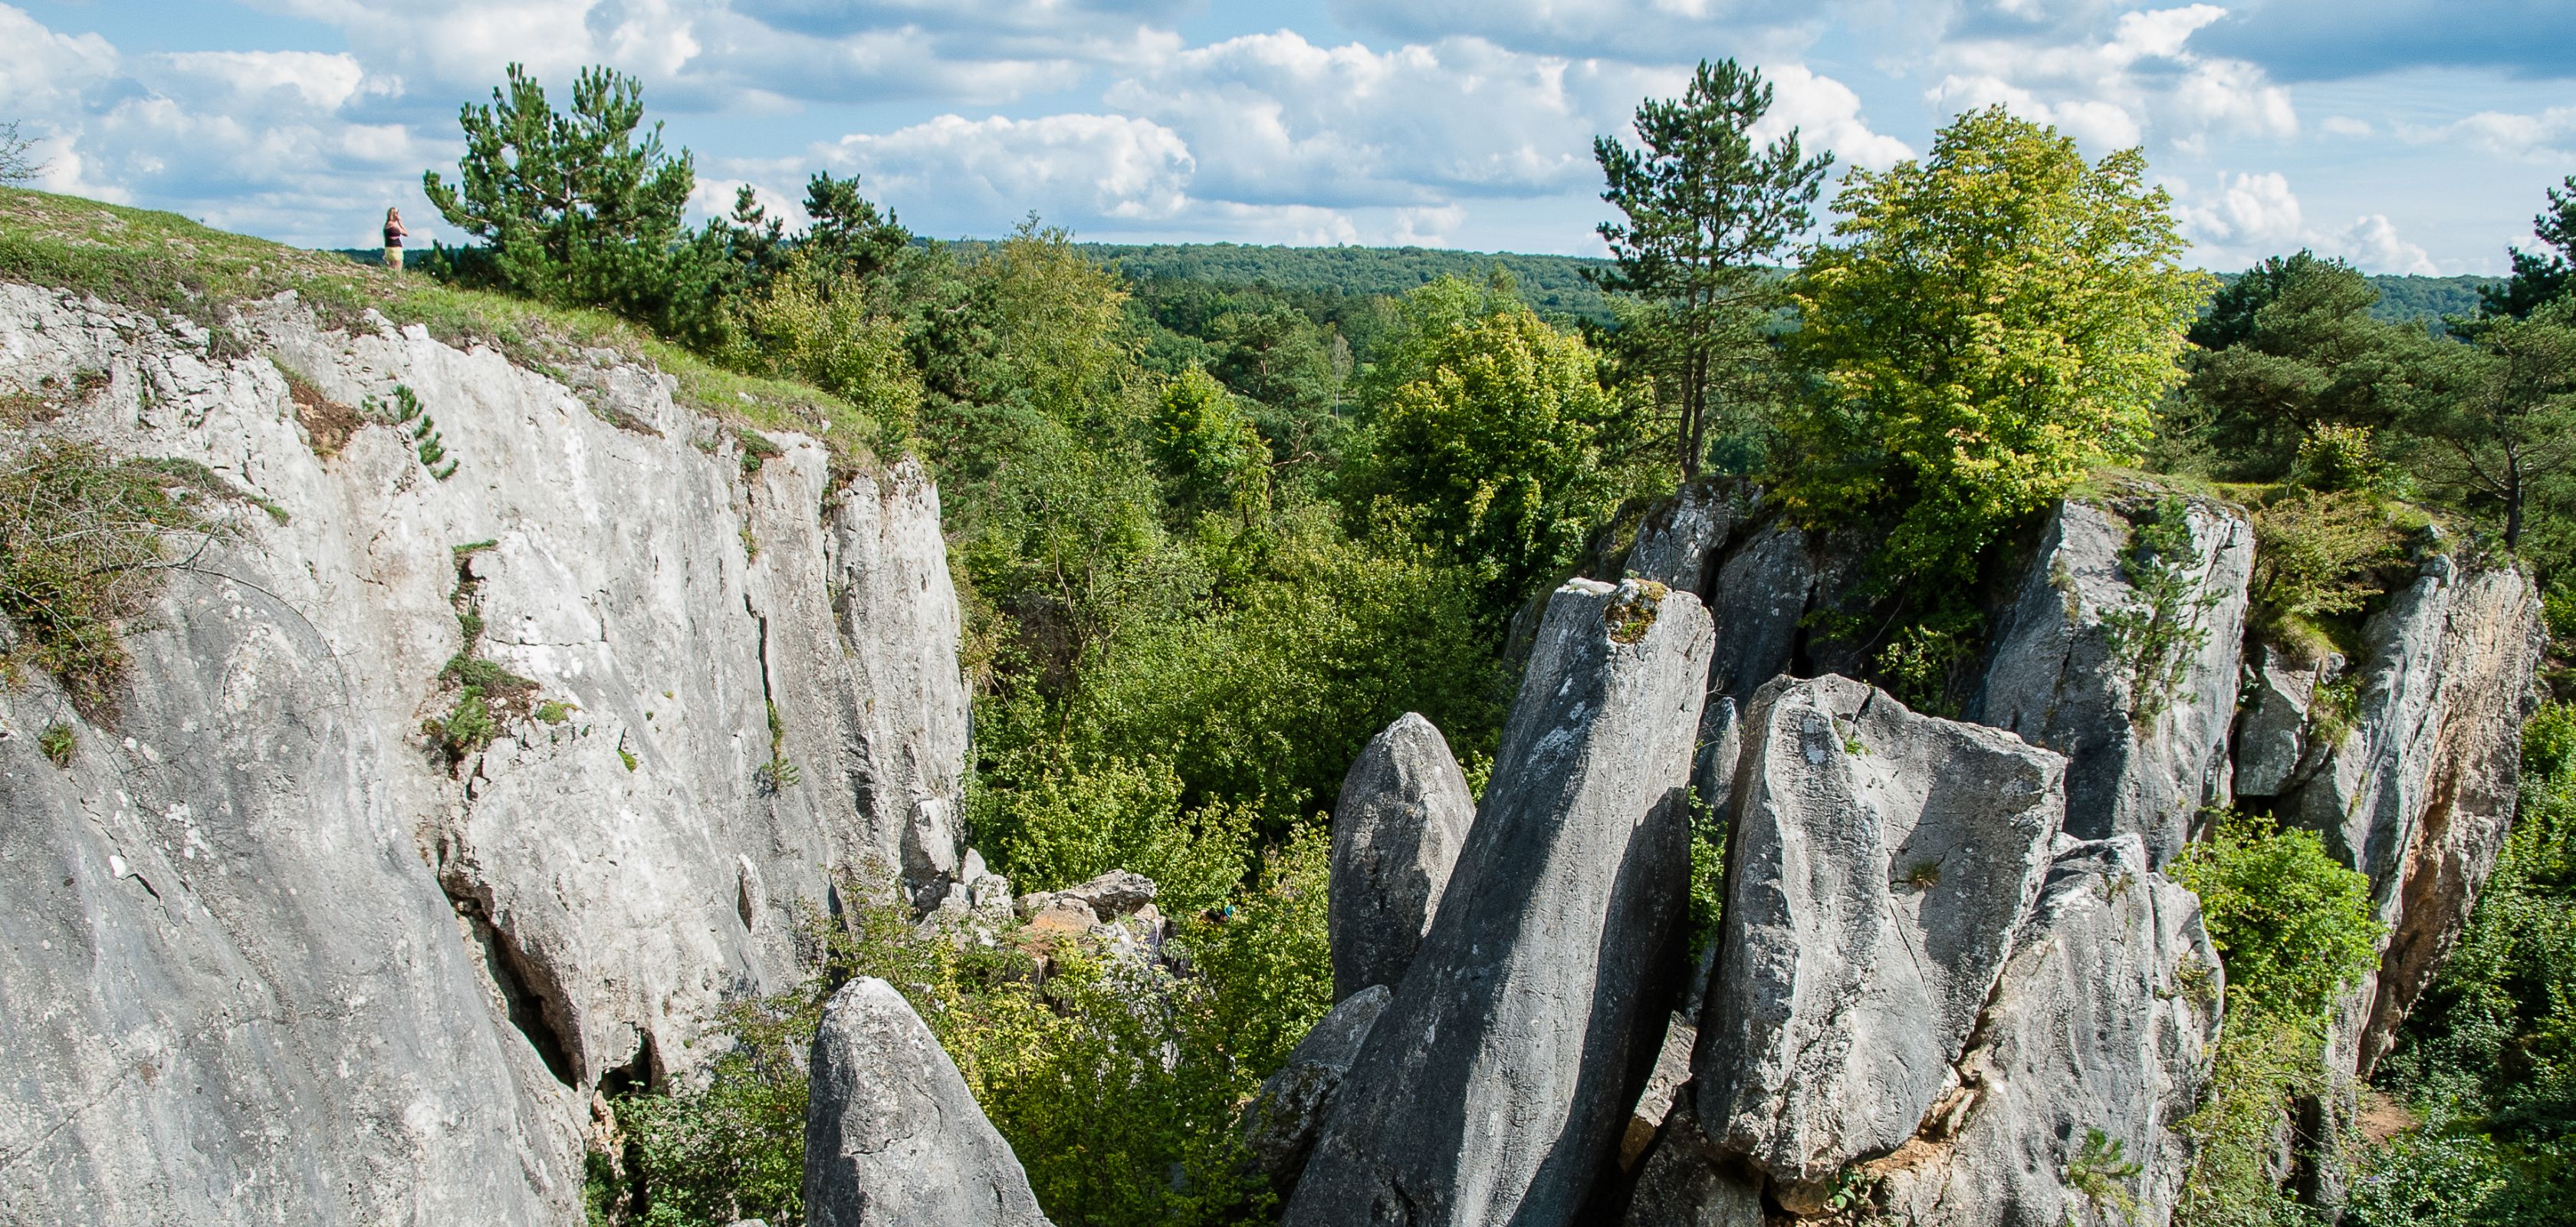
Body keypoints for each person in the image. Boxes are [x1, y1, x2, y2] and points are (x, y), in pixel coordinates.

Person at [383, 206, 408, 271]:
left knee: (390, 270)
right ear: (395, 215)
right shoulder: (394, 226)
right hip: (396, 249)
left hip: (388, 249)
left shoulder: (386, 226)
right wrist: (400, 223)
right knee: (397, 270)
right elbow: (406, 233)